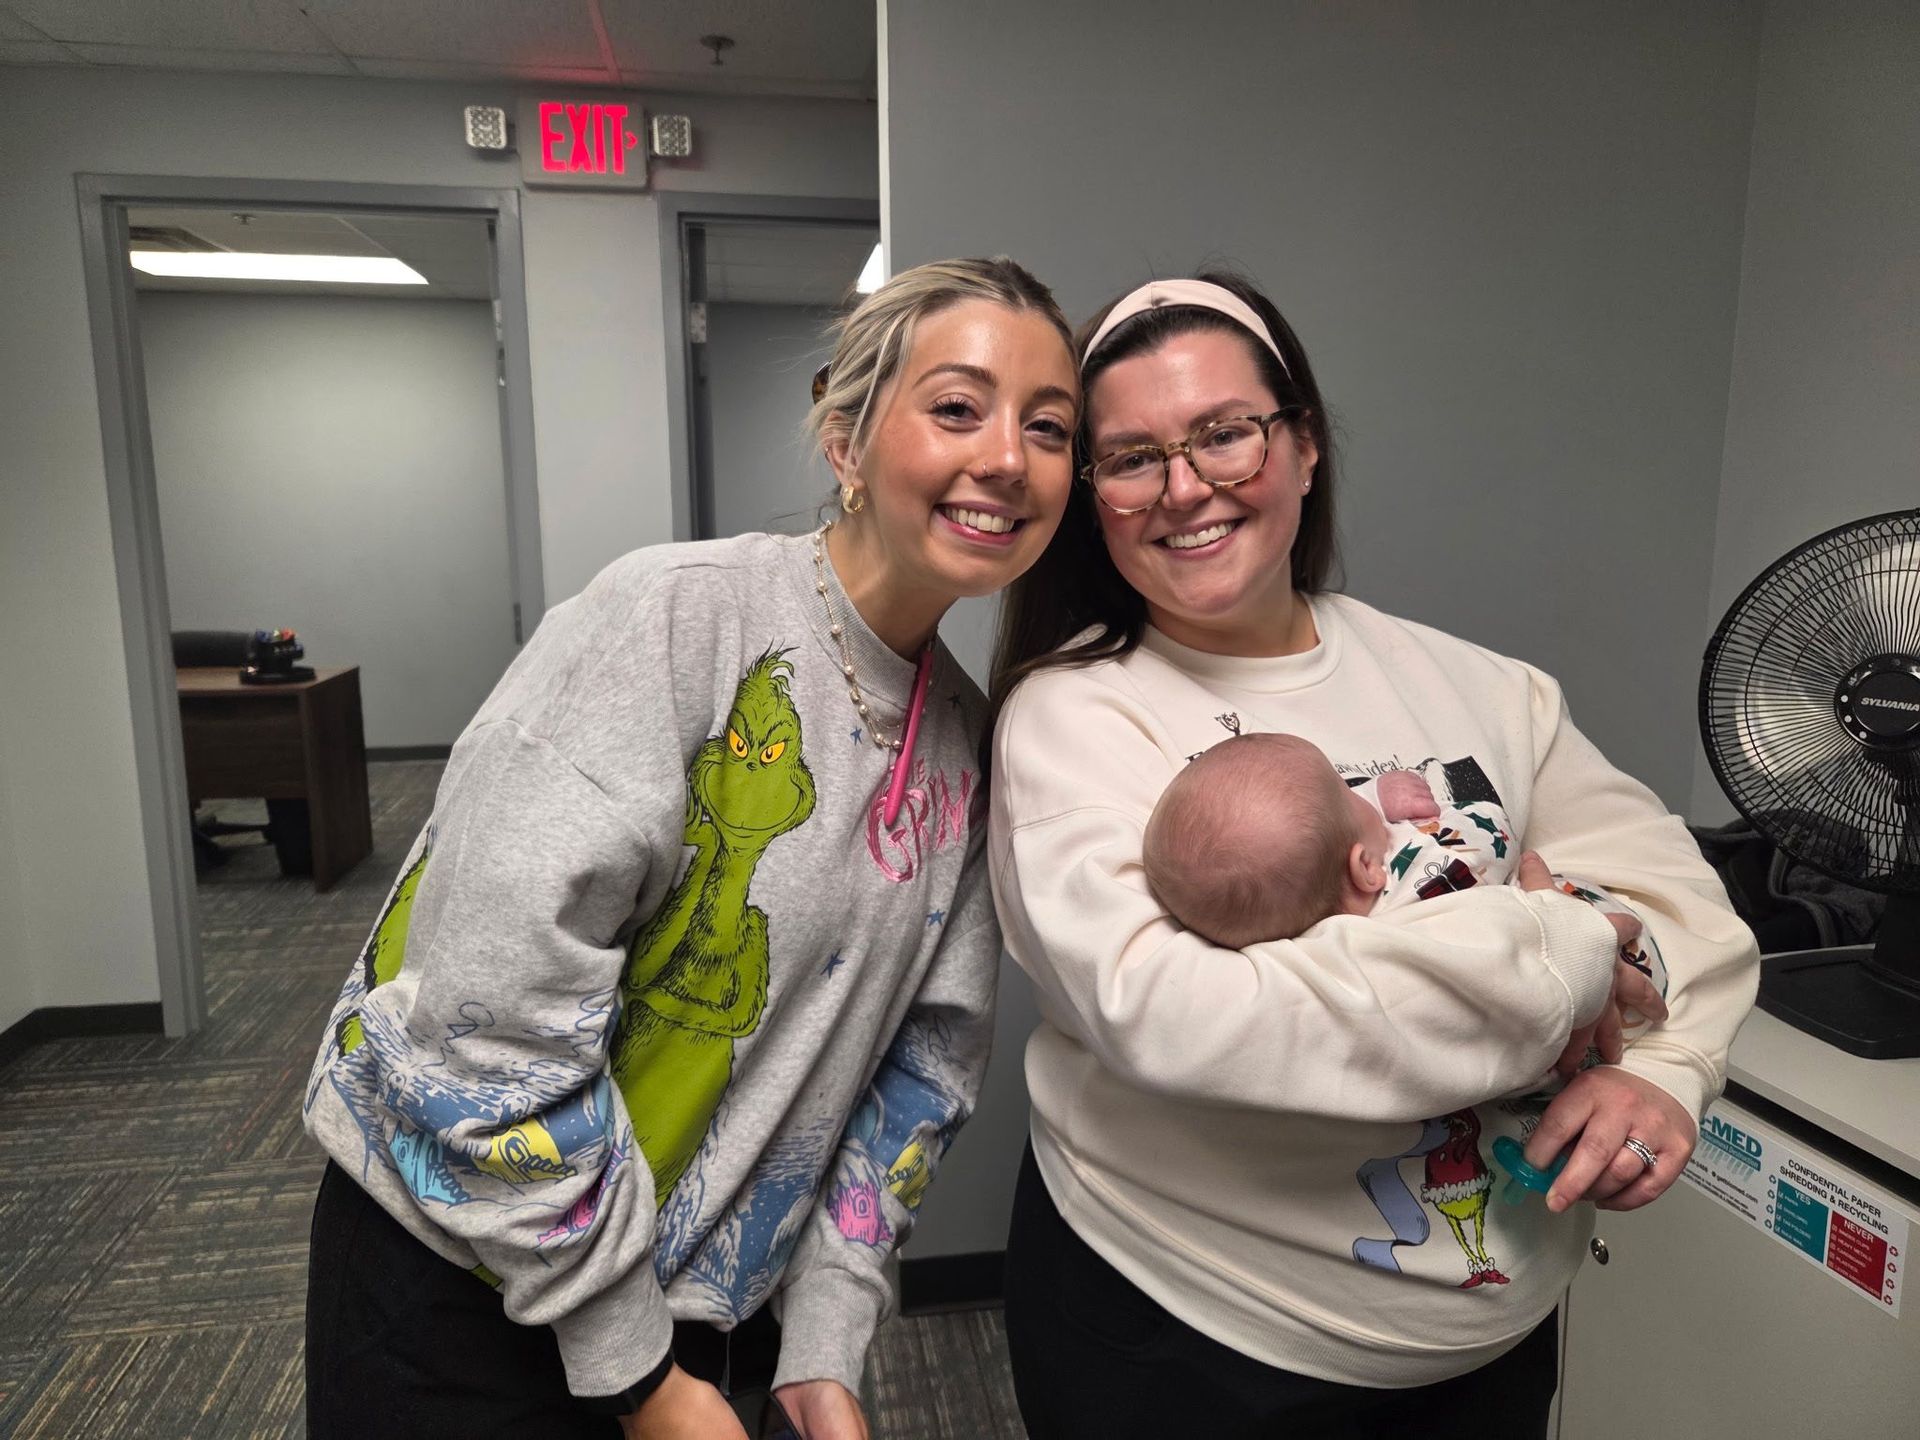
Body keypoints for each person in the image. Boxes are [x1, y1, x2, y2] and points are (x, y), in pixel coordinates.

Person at [301, 257, 1081, 1440]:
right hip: (463, 1284)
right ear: (847, 436)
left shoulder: (967, 744)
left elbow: (921, 1071)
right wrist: (631, 1369)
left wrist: (824, 1340)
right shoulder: (672, 620)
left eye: (1050, 427)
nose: (1009, 459)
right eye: (958, 407)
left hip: (707, 1316)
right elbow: (484, 1015)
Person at [987, 273, 1757, 1438]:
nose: (1184, 486)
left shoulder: (1485, 685)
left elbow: (1679, 900)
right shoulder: (1075, 717)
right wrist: (1559, 947)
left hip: (1489, 1345)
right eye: (1131, 456)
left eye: (1225, 436)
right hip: (1189, 1339)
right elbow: (1179, 1018)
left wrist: (1664, 1068)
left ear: (1302, 448)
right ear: (1094, 495)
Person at [1143, 733, 1657, 993]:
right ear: (1368, 867)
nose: (1362, 794)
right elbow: (1490, 829)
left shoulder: (1326, 952)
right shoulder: (1427, 876)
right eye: (1350, 794)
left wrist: (1372, 799)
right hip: (1612, 967)